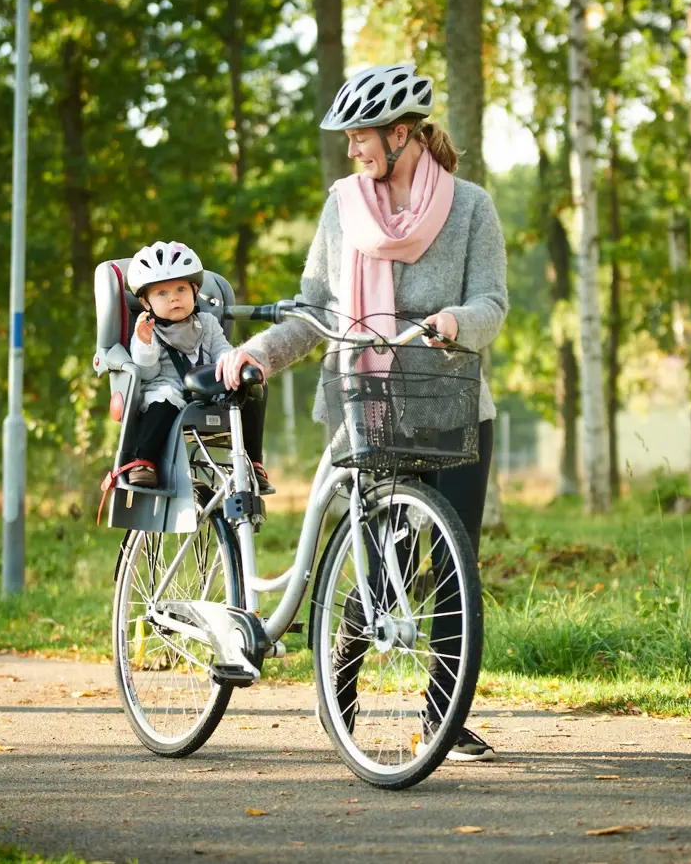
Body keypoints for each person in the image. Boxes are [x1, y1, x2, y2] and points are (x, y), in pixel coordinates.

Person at [216, 62, 509, 761]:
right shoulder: (341, 207)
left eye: (361, 137)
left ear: (402, 135)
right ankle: (336, 694)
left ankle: (444, 717)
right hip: (367, 405)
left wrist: (454, 321)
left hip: (452, 404)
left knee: (453, 564)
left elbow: (492, 306)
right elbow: (317, 309)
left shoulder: (472, 208)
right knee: (380, 571)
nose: (353, 150)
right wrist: (257, 351)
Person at [124, 240, 272, 494]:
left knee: (254, 386)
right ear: (146, 303)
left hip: (208, 389)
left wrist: (234, 362)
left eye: (181, 289)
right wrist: (145, 343)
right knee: (164, 397)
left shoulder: (207, 323)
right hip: (168, 389)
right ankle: (143, 461)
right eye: (162, 293)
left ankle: (252, 462)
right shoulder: (148, 330)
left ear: (194, 291)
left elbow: (222, 352)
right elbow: (146, 374)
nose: (173, 298)